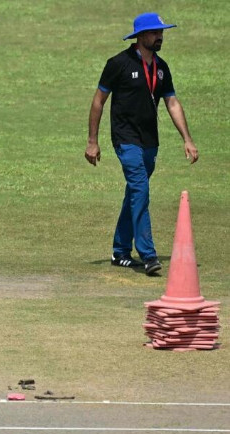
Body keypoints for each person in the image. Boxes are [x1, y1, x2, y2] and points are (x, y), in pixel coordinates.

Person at [86, 12, 199, 276]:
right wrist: (92, 141)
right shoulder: (118, 63)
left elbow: (171, 102)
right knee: (140, 189)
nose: (160, 36)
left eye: (161, 32)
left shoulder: (162, 67)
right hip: (125, 139)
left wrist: (187, 139)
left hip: (150, 141)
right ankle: (148, 256)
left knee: (135, 194)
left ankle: (120, 250)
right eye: (154, 32)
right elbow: (98, 101)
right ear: (140, 36)